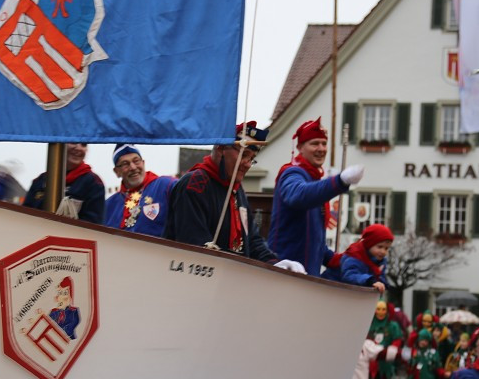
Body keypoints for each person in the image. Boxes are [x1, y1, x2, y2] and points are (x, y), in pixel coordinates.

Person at [165, 123, 304, 271]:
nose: (248, 164)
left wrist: (275, 263)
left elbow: (252, 241)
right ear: (221, 148)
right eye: (244, 155)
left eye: (252, 158)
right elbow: (195, 246)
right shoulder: (195, 184)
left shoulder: (237, 190)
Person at [267, 118, 363, 276]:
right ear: (300, 148)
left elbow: (313, 240)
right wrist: (339, 181)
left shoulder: (313, 179)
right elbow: (299, 195)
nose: (321, 148)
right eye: (314, 143)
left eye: (324, 144)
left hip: (306, 276)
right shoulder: (292, 172)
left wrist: (340, 259)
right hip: (286, 273)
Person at [104, 144, 176, 237]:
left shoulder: (166, 185)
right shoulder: (108, 206)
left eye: (136, 161)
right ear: (117, 171)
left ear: (143, 163)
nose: (133, 167)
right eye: (125, 164)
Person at [24, 142, 106, 224]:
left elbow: (93, 225)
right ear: (60, 145)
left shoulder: (93, 183)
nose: (78, 148)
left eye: (84, 144)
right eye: (73, 142)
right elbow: (24, 216)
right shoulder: (40, 181)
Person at [325, 224, 394, 294]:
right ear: (369, 244)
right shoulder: (354, 256)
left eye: (386, 248)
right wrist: (369, 280)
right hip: (329, 289)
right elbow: (349, 276)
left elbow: (379, 277)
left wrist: (383, 283)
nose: (383, 251)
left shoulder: (380, 262)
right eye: (380, 247)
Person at [365, 300, 402, 379]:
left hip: (385, 362)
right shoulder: (369, 322)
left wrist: (393, 348)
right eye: (378, 309)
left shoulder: (392, 326)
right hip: (371, 360)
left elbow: (397, 339)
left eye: (383, 309)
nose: (380, 312)